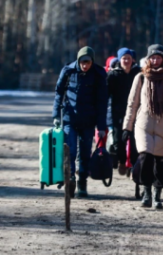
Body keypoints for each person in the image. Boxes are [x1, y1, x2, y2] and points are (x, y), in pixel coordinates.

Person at [123, 44, 163, 209]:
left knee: (160, 161)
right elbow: (132, 104)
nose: (155, 60)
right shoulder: (141, 77)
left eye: (158, 57)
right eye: (152, 57)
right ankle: (147, 193)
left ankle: (157, 196)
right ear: (148, 58)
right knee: (145, 157)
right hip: (144, 124)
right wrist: (127, 127)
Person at [52, 46, 108, 198]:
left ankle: (82, 183)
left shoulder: (98, 75)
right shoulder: (68, 71)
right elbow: (59, 93)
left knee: (84, 153)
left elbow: (102, 102)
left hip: (88, 121)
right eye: (83, 62)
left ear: (92, 61)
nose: (85, 65)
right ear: (78, 60)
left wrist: (101, 126)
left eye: (88, 62)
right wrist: (56, 115)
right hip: (70, 119)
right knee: (70, 150)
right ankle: (70, 180)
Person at [107, 48, 141, 176]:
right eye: (123, 58)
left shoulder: (139, 73)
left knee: (134, 141)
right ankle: (122, 161)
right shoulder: (113, 75)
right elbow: (106, 95)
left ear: (133, 60)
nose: (126, 60)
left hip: (136, 113)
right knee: (118, 142)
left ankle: (134, 164)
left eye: (128, 58)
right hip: (118, 113)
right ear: (120, 59)